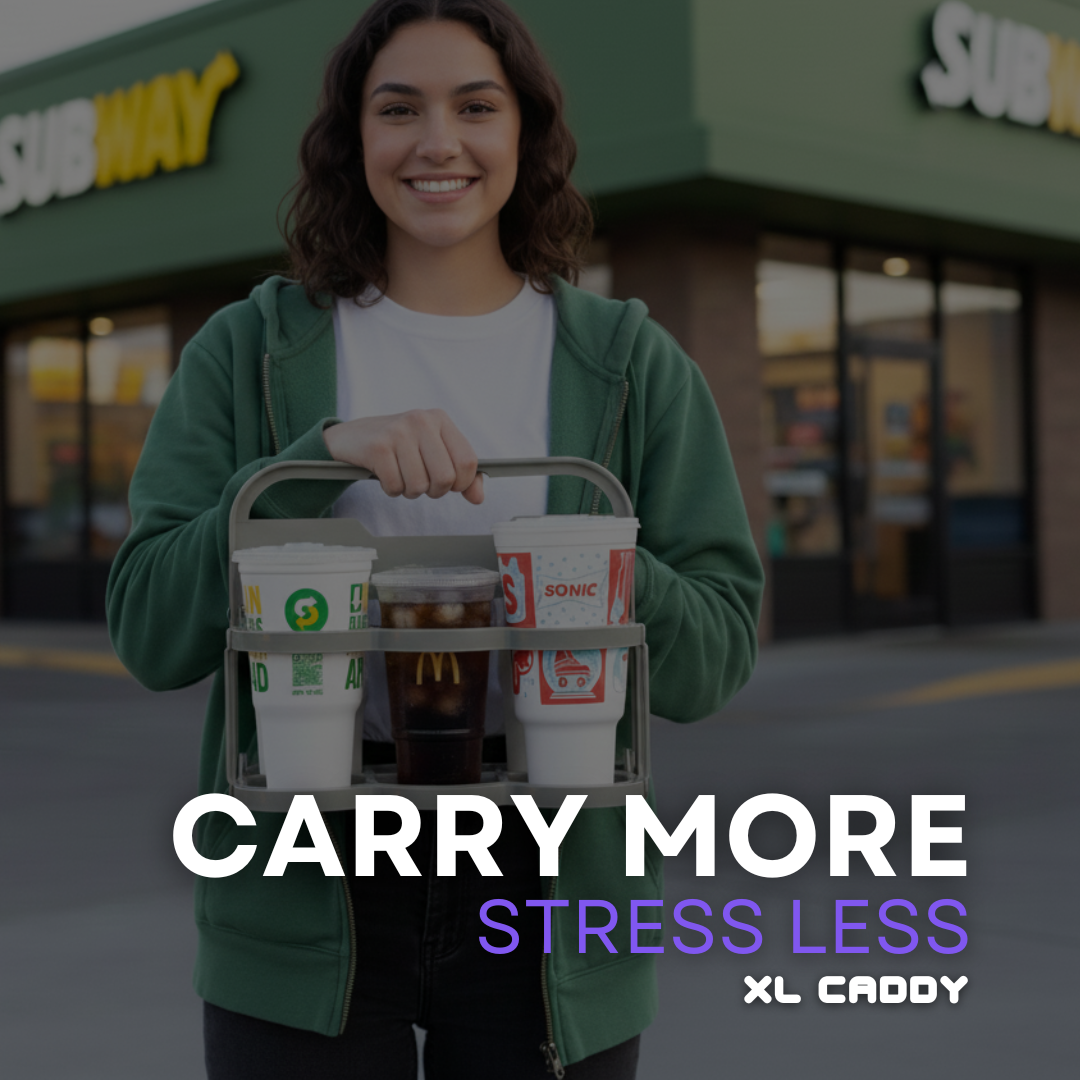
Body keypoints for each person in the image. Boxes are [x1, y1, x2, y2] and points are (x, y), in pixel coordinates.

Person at [106, 1, 764, 1077]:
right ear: (352, 140)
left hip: (551, 887)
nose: (438, 141)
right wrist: (306, 469)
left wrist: (593, 566)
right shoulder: (251, 351)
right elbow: (148, 630)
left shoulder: (629, 363)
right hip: (303, 873)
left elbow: (715, 656)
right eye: (398, 108)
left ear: (527, 133)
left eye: (476, 106)